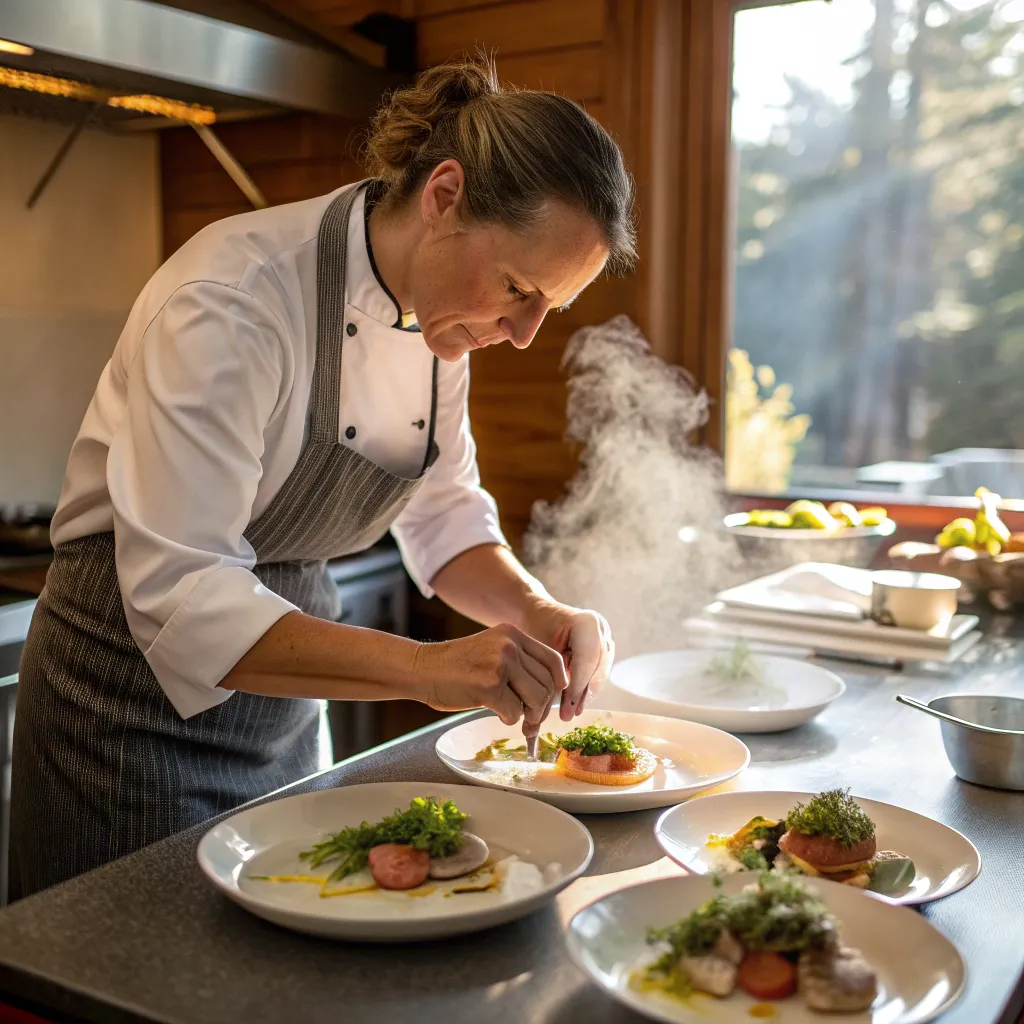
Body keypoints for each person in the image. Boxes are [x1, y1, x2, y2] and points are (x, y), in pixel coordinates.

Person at [9, 54, 636, 899]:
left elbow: (444, 518)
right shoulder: (232, 299)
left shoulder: (444, 320)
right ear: (444, 195)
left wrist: (539, 612)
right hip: (124, 713)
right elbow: (186, 599)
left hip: (286, 706)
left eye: (544, 310)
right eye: (519, 289)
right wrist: (432, 666)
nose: (522, 333)